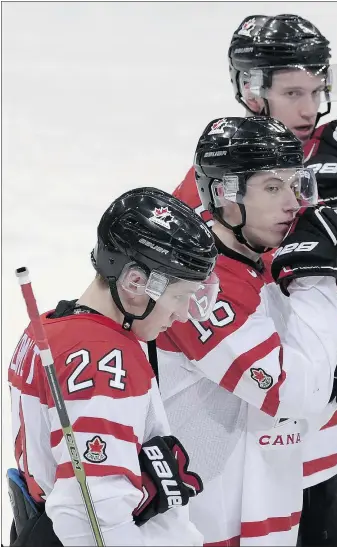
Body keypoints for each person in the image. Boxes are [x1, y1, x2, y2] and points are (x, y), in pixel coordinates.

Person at [172, 14, 337, 546]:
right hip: (256, 438)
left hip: (327, 435)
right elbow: (230, 277)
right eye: (293, 91)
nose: (310, 108)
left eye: (318, 89)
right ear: (251, 90)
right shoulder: (219, 180)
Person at [156, 116, 337, 545]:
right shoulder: (199, 285)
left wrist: (331, 348)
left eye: (297, 184)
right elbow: (297, 394)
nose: (293, 203)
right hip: (207, 523)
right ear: (224, 195)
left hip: (265, 502)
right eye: (272, 188)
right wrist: (316, 281)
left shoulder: (264, 256)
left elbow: (293, 367)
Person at [7, 187, 220, 546]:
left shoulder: (54, 328)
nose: (183, 315)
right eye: (180, 296)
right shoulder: (105, 361)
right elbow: (88, 515)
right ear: (135, 282)